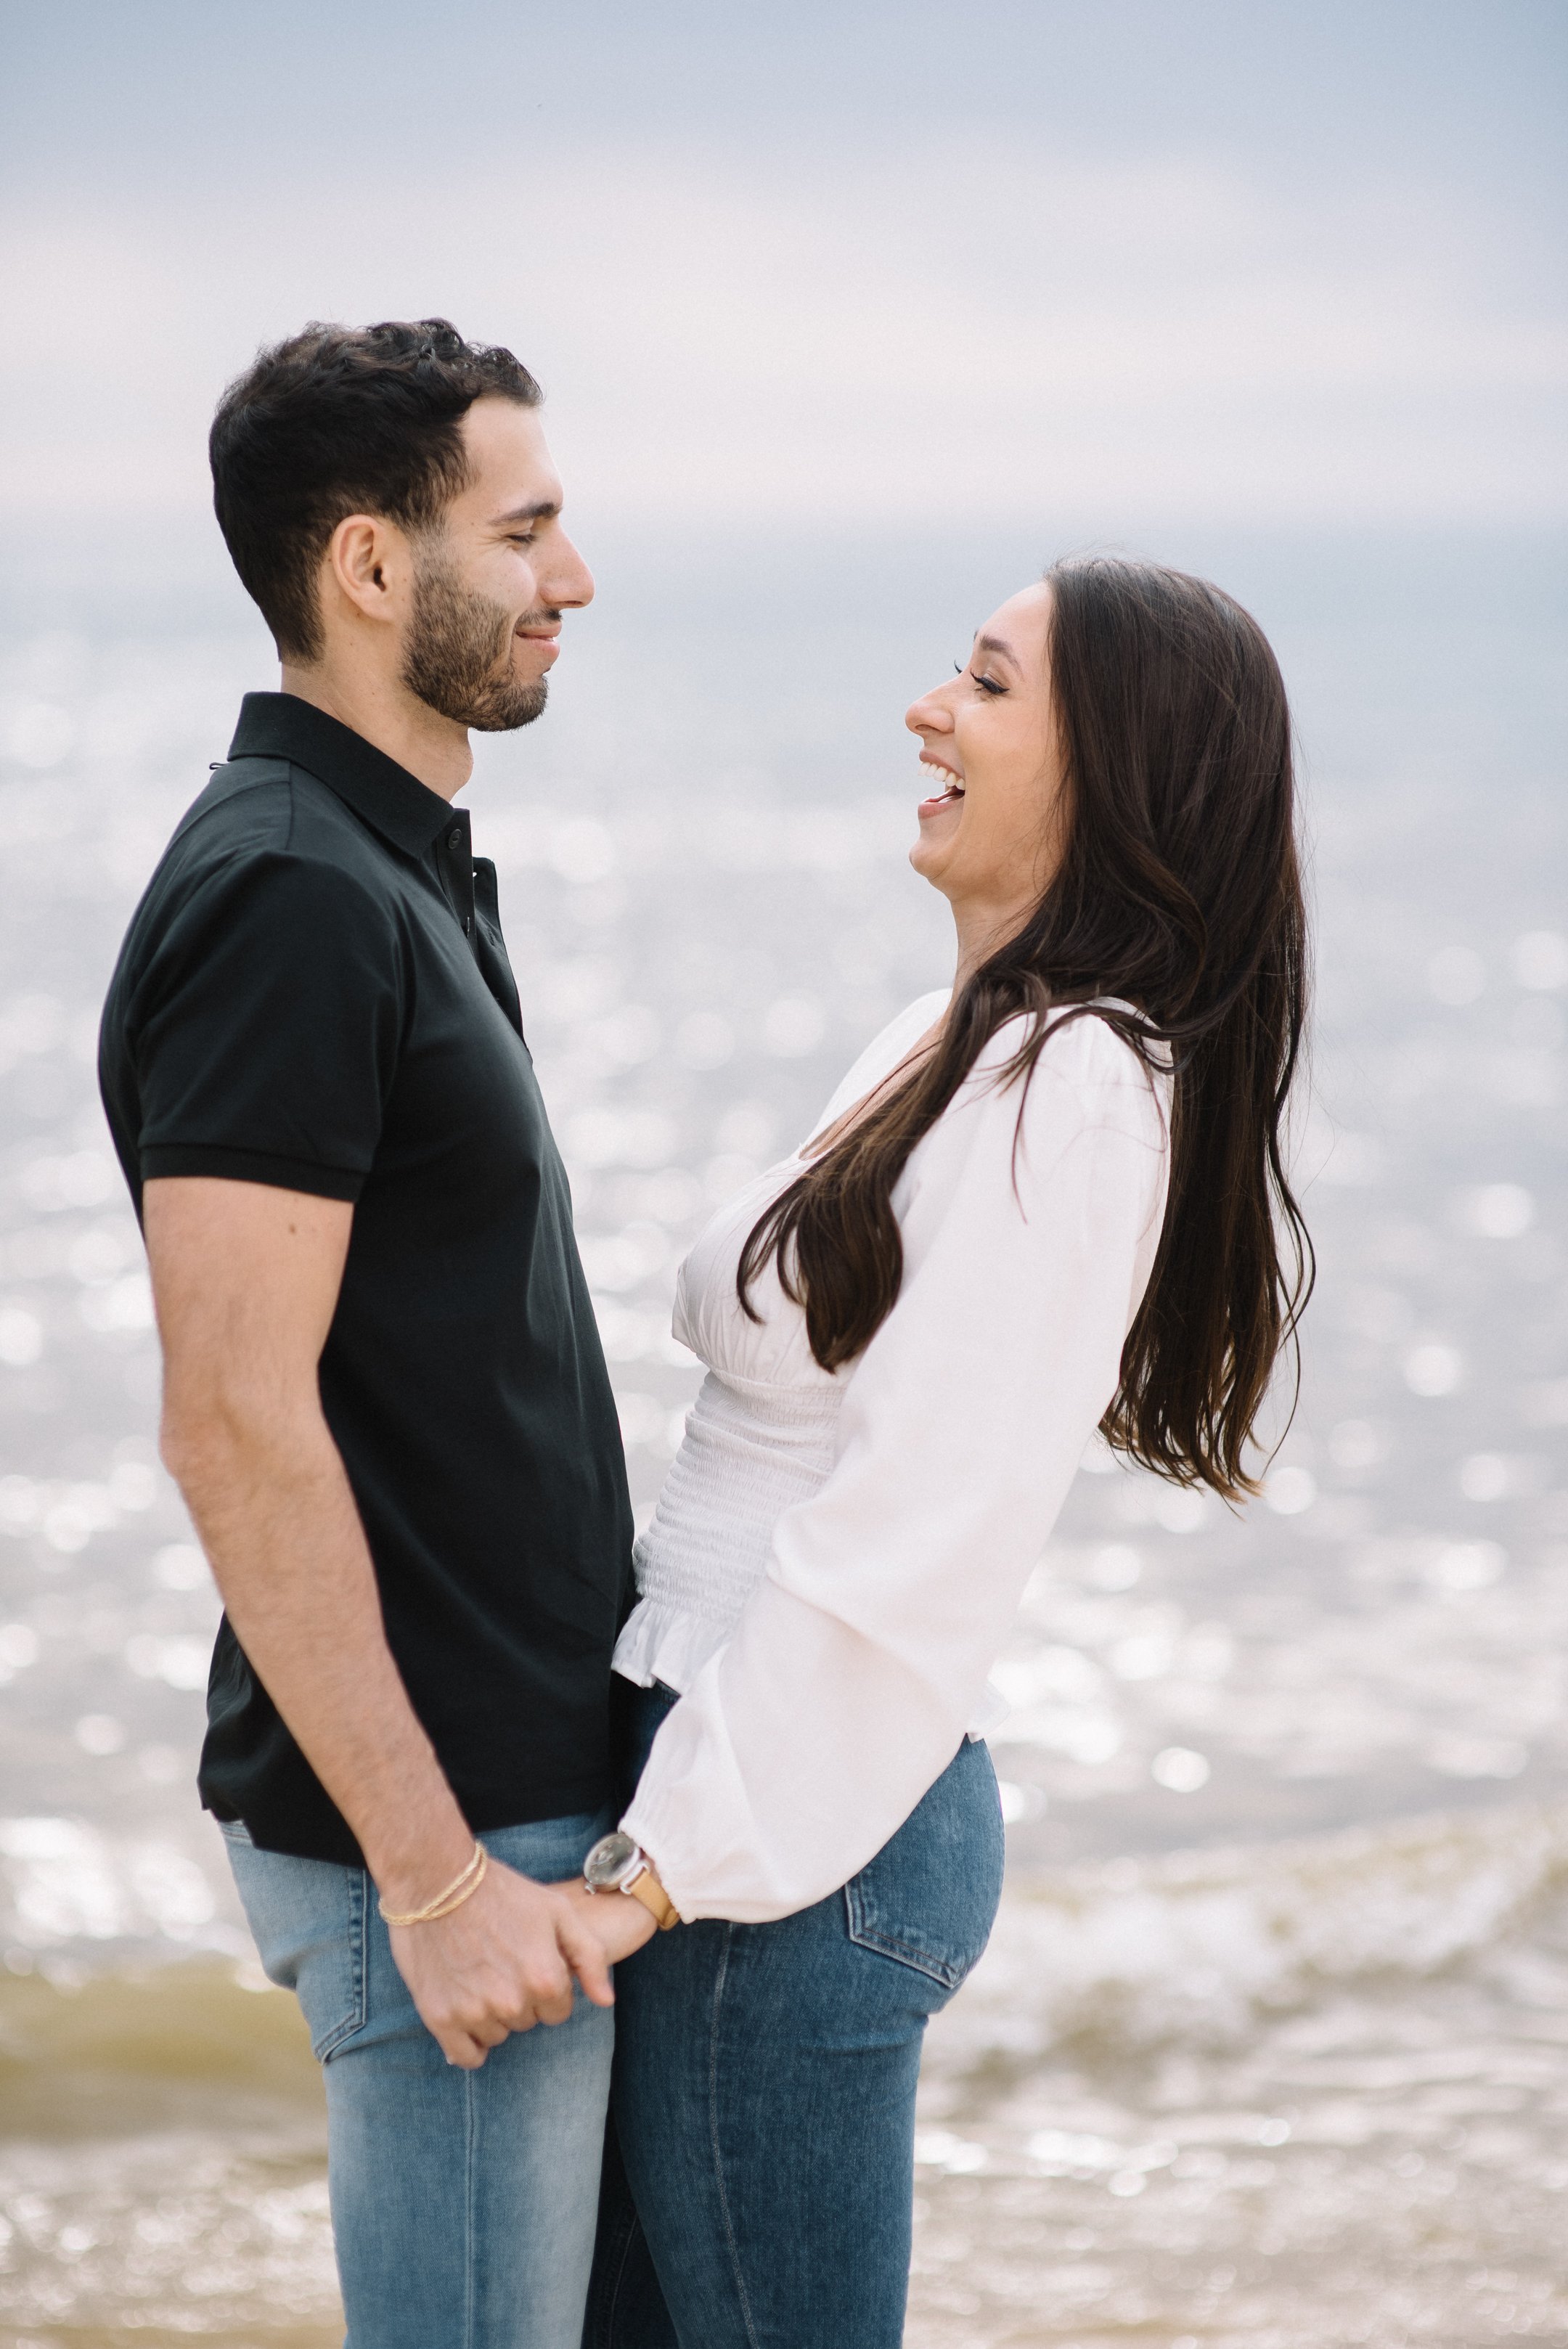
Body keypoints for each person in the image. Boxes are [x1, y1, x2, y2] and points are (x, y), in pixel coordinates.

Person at [566, 557, 1311, 2348]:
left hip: (787, 1834)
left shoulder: (1074, 1088)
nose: (927, 708)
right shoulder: (955, 1041)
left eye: (984, 684)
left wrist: (653, 1871)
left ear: (1111, 773)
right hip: (728, 1783)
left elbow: (916, 1542)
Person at [99, 319, 653, 2349]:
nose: (572, 579)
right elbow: (232, 1420)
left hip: (512, 1821)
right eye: (526, 532)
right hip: (439, 1847)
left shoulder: (391, 862)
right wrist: (437, 1878)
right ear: (365, 567)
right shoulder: (290, 895)